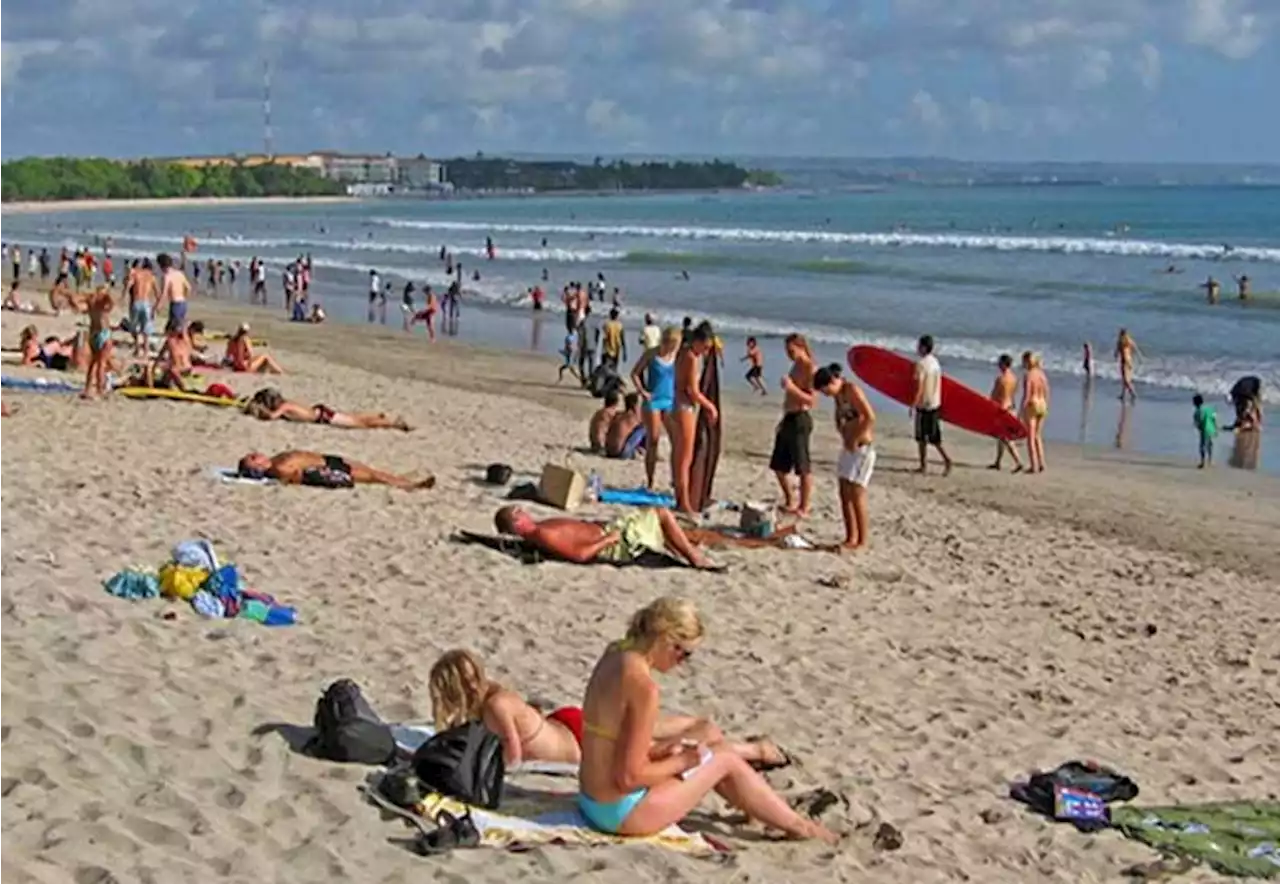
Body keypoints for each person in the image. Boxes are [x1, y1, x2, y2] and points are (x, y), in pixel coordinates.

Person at [575, 597, 837, 842]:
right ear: (666, 639)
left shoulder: (615, 654)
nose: (683, 663)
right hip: (618, 812)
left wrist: (665, 752)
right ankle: (800, 827)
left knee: (710, 744)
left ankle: (756, 809)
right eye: (684, 653)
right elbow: (630, 778)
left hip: (591, 797)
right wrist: (682, 761)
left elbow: (616, 743)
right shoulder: (643, 687)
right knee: (724, 758)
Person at [429, 650, 584, 767]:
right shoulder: (489, 692)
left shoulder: (495, 706)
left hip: (578, 741)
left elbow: (513, 756)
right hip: (561, 724)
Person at [494, 506, 718, 570]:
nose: (523, 510)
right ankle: (694, 557)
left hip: (606, 531)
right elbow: (580, 555)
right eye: (518, 512)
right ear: (517, 523)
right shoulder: (541, 533)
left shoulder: (538, 529)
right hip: (613, 543)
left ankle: (684, 550)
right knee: (661, 513)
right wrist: (608, 540)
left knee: (658, 522)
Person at [816, 363, 876, 550]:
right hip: (848, 447)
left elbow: (869, 417)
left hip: (862, 448)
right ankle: (850, 537)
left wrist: (855, 438)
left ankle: (861, 541)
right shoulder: (838, 396)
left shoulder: (851, 390)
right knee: (843, 491)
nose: (827, 395)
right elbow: (840, 417)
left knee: (856, 494)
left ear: (833, 381)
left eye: (826, 390)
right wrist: (843, 432)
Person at [671, 322, 718, 514]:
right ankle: (684, 502)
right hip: (685, 408)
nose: (706, 352)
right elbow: (692, 390)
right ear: (698, 342)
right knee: (685, 458)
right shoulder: (690, 357)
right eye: (705, 347)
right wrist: (710, 406)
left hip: (678, 405)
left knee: (678, 456)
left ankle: (680, 497)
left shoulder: (684, 353)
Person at [770, 333, 817, 515]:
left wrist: (792, 388)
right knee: (778, 465)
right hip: (789, 416)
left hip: (801, 417)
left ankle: (804, 505)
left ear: (801, 347)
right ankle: (790, 499)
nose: (789, 355)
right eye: (786, 351)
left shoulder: (810, 368)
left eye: (791, 351)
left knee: (802, 466)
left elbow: (812, 400)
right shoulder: (795, 366)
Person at [630, 326, 680, 491]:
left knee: (676, 440)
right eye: (674, 343)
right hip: (654, 401)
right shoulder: (652, 354)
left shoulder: (676, 356)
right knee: (653, 440)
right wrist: (642, 391)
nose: (675, 347)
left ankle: (675, 479)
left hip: (670, 400)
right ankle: (650, 480)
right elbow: (635, 373)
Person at [237, 451, 433, 489]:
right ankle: (410, 485)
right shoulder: (279, 468)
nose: (257, 453)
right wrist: (327, 476)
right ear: (257, 468)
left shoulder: (275, 460)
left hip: (329, 459)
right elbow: (298, 477)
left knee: (372, 471)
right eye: (253, 458)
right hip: (328, 468)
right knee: (372, 476)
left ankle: (401, 480)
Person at [243, 389, 410, 431]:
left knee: (359, 424)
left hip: (321, 416)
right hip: (319, 413)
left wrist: (258, 411)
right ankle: (377, 416)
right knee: (352, 417)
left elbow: (272, 416)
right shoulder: (285, 404)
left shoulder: (283, 406)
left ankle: (392, 423)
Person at [911, 334, 952, 476]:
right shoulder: (935, 362)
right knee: (934, 437)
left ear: (923, 347)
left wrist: (913, 404)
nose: (917, 348)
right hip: (935, 403)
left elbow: (920, 387)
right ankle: (928, 464)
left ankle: (936, 463)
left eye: (918, 345)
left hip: (924, 405)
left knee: (922, 437)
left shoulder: (921, 364)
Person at [988, 354, 1024, 472]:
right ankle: (997, 462)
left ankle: (1018, 462)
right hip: (1011, 408)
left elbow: (994, 395)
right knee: (1001, 437)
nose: (998, 365)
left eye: (999, 363)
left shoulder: (1001, 379)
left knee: (1006, 439)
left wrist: (989, 406)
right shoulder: (1014, 378)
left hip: (1002, 410)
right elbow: (1014, 394)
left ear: (1003, 364)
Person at [1020, 351, 1050, 474]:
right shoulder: (1042, 375)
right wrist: (1047, 404)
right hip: (1042, 403)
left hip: (1032, 404)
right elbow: (1047, 391)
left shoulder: (1029, 375)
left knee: (1030, 437)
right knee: (1038, 436)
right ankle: (1042, 463)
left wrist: (1021, 410)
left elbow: (1027, 394)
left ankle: (1034, 465)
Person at [82, 287, 114, 399]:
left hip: (93, 333)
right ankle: (100, 390)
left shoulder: (91, 301)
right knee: (101, 364)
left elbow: (76, 300)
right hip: (103, 333)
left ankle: (87, 389)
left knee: (93, 364)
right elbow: (111, 303)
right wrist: (107, 293)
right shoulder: (102, 303)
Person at [126, 258, 158, 356]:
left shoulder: (136, 274)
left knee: (133, 327)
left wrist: (123, 296)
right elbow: (158, 294)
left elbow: (128, 285)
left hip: (136, 301)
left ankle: (137, 347)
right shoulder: (152, 277)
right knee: (146, 330)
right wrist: (156, 307)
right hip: (146, 303)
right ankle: (146, 351)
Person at [155, 252, 189, 332]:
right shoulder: (179, 273)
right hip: (183, 302)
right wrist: (184, 296)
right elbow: (188, 287)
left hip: (175, 304)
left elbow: (164, 294)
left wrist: (158, 306)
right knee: (179, 325)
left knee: (173, 329)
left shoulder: (166, 276)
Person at [1192, 393, 1218, 469]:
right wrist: (1215, 427)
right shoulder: (1209, 409)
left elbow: (1199, 420)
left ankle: (1203, 462)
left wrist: (1198, 427)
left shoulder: (1197, 411)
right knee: (1210, 445)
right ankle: (1210, 460)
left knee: (1202, 446)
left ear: (1195, 403)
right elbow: (1214, 417)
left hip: (1204, 429)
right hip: (1211, 429)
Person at [1114, 328, 1140, 402]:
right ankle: (1123, 395)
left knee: (1126, 380)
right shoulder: (1120, 342)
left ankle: (1133, 393)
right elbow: (1117, 351)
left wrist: (1139, 357)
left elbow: (1135, 348)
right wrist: (1116, 355)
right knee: (1124, 379)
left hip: (1127, 361)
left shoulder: (1128, 341)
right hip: (1123, 361)